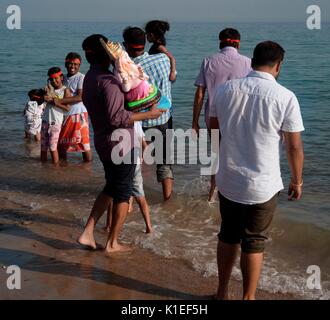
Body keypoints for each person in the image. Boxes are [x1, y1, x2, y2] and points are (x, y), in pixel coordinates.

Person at [209, 41, 304, 300]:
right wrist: (297, 181)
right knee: (254, 241)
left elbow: (214, 132)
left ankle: (221, 293)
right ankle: (248, 298)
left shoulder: (225, 90)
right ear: (279, 66)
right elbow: (294, 147)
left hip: (228, 178)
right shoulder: (286, 97)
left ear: (251, 61)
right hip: (263, 184)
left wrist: (214, 167)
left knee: (228, 236)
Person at [77, 34, 164, 253]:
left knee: (111, 187)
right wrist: (149, 114)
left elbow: (110, 113)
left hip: (103, 141)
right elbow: (117, 117)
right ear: (107, 54)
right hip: (121, 144)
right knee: (123, 193)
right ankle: (113, 242)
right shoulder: (108, 81)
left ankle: (88, 233)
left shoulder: (90, 77)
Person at [193, 28, 252, 201]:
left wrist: (194, 122)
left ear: (220, 42)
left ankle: (213, 191)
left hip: (214, 118)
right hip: (239, 119)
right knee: (239, 156)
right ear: (238, 43)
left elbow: (199, 95)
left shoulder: (208, 61)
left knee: (216, 155)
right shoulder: (248, 63)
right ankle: (237, 193)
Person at [123, 26, 174, 201]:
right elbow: (172, 78)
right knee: (164, 162)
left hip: (140, 122)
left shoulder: (128, 69)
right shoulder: (163, 59)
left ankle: (129, 202)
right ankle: (168, 202)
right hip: (163, 118)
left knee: (133, 164)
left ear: (126, 46)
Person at [105, 121, 152, 234]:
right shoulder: (136, 122)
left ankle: (108, 225)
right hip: (135, 163)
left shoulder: (116, 122)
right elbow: (145, 145)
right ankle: (149, 227)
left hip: (122, 163)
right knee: (141, 197)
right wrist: (141, 158)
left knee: (112, 194)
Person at [57, 52, 92, 162]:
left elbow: (80, 97)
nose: (72, 66)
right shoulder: (63, 78)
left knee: (83, 144)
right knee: (61, 143)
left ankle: (88, 166)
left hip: (79, 113)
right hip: (65, 114)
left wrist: (59, 101)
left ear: (79, 65)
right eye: (70, 63)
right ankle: (62, 167)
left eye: (75, 64)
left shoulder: (81, 78)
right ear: (65, 64)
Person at [41, 67, 71, 164]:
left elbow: (68, 108)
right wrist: (42, 97)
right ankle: (43, 166)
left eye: (56, 78)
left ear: (61, 77)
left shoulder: (65, 90)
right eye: (51, 79)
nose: (54, 81)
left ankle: (55, 168)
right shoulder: (49, 89)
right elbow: (40, 101)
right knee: (43, 146)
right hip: (45, 121)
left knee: (53, 147)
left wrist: (56, 102)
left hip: (56, 123)